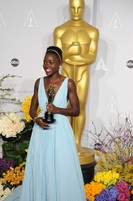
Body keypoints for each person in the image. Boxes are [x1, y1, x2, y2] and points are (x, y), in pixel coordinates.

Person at [0, 46, 92, 201]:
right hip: (42, 134)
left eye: (51, 62)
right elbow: (32, 110)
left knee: (58, 172)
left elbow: (76, 110)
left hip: (60, 134)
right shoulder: (39, 83)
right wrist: (37, 119)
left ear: (59, 63)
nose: (47, 66)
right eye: (45, 62)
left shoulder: (69, 83)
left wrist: (56, 109)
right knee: (42, 172)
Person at [54, 0, 99, 154]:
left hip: (82, 73)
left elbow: (91, 57)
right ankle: (65, 141)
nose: (76, 10)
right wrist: (74, 50)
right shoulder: (60, 30)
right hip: (64, 73)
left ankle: (77, 142)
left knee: (80, 107)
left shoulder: (92, 31)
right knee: (64, 106)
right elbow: (58, 57)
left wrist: (70, 55)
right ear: (68, 8)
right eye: (72, 7)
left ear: (84, 8)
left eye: (79, 7)